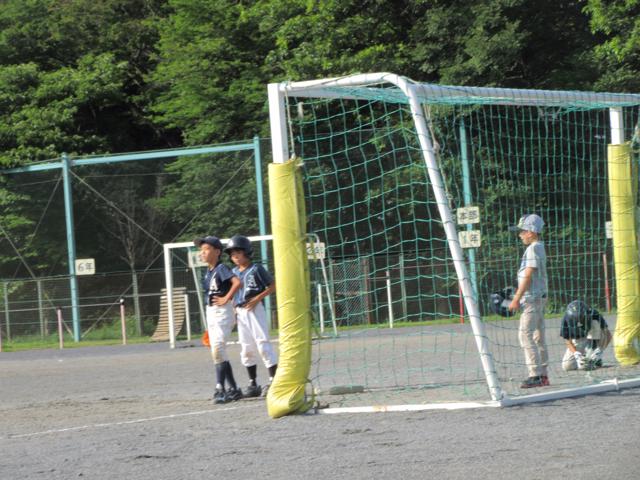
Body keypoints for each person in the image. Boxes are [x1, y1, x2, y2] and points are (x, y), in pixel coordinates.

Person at [224, 235, 278, 398]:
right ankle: (253, 383)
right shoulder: (233, 272)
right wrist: (233, 309)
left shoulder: (256, 269)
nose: (235, 256)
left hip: (255, 309)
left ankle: (274, 381)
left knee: (262, 344)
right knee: (246, 348)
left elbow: (273, 285)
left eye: (238, 252)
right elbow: (234, 294)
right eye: (232, 253)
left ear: (246, 252)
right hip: (240, 311)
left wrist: (257, 298)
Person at [195, 235, 243, 404]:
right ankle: (234, 389)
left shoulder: (221, 268)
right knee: (218, 352)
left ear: (217, 252)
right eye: (201, 250)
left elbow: (237, 283)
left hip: (222, 312)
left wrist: (226, 298)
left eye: (206, 249)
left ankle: (220, 389)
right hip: (212, 312)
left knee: (218, 350)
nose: (202, 252)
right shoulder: (208, 272)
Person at [508, 214, 550, 388]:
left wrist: (516, 299)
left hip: (532, 299)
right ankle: (543, 375)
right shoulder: (539, 247)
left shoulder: (533, 248)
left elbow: (528, 275)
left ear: (531, 232)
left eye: (522, 231)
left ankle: (536, 375)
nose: (520, 235)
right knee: (538, 337)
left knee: (525, 335)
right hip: (539, 297)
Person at [560, 300, 611, 371]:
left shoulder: (594, 314)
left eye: (581, 318)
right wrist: (576, 353)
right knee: (567, 366)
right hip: (578, 340)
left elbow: (608, 335)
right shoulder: (566, 319)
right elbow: (568, 341)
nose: (579, 321)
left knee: (595, 324)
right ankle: (587, 358)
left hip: (594, 339)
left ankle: (594, 355)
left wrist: (600, 350)